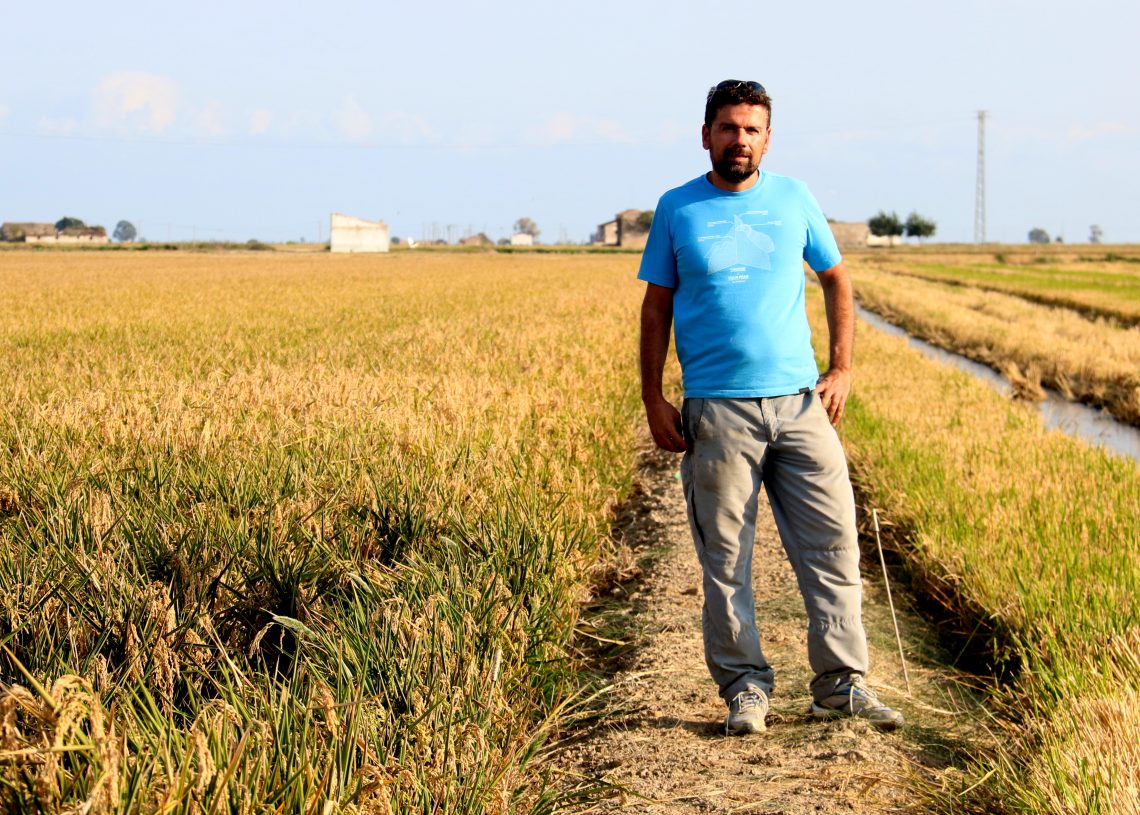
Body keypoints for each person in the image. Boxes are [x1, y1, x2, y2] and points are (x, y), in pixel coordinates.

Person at [637, 79, 904, 735]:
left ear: (768, 139)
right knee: (726, 559)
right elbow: (656, 307)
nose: (740, 140)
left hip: (801, 406)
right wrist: (652, 396)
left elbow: (836, 278)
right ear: (706, 135)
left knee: (834, 545)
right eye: (728, 128)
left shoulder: (794, 198)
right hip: (717, 411)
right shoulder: (677, 208)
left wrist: (842, 367)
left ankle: (840, 685)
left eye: (752, 129)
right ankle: (745, 689)